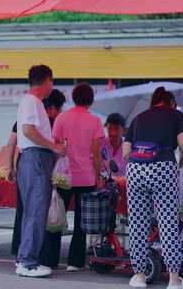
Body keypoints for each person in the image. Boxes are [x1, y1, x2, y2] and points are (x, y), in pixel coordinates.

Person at [123, 87, 183, 289]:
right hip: (163, 168)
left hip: (135, 170)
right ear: (171, 103)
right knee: (168, 223)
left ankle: (139, 276)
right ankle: (173, 280)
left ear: (153, 102)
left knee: (137, 223)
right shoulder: (176, 116)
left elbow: (126, 151)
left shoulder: (138, 118)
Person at [39, 82, 105, 271]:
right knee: (81, 223)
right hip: (86, 178)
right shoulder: (95, 121)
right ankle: (75, 262)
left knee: (55, 217)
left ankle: (49, 260)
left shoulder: (61, 119)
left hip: (62, 177)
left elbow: (55, 146)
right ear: (91, 100)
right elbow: (96, 154)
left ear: (74, 98)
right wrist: (98, 176)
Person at [14, 65, 66, 278]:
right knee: (36, 211)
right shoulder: (32, 102)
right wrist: (54, 147)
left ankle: (24, 258)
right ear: (47, 81)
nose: (51, 86)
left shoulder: (31, 102)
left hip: (33, 158)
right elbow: (28, 130)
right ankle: (28, 261)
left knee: (32, 212)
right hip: (35, 158)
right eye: (51, 81)